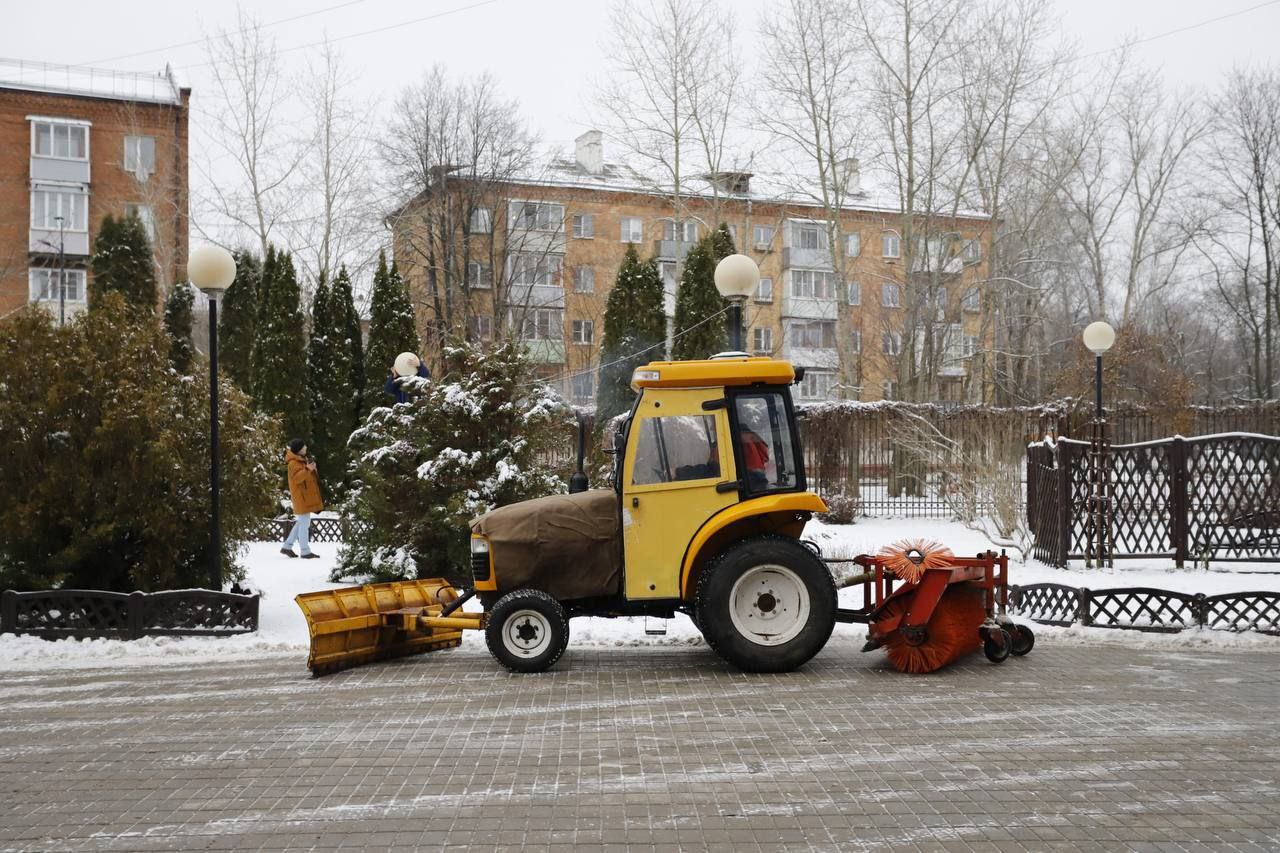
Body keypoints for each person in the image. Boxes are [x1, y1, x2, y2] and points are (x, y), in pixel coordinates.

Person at [282, 438, 323, 559]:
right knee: (304, 523)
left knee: (301, 522)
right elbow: (297, 479)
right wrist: (307, 469)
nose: (306, 448)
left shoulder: (302, 461)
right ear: (298, 449)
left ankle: (287, 547)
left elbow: (310, 478)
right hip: (301, 497)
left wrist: (313, 469)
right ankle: (305, 551)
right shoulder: (293, 463)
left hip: (305, 496)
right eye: (304, 447)